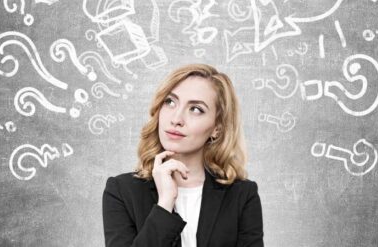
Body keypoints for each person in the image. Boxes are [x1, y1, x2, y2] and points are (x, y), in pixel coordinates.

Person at [102, 64, 264, 247]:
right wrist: (164, 204)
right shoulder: (121, 191)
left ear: (217, 129)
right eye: (170, 102)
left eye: (196, 109)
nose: (176, 119)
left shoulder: (242, 195)